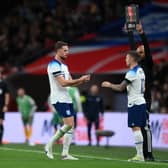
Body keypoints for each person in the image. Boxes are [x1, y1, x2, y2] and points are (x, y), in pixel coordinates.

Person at [45, 41, 90, 160]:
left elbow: (71, 84)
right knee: (69, 124)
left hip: (67, 98)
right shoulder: (53, 65)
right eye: (65, 50)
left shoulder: (64, 66)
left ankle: (65, 154)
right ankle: (49, 145)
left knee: (71, 125)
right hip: (58, 98)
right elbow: (63, 83)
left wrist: (82, 80)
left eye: (68, 50)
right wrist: (79, 79)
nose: (67, 53)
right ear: (58, 50)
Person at [102, 51, 146, 162]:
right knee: (138, 128)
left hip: (135, 103)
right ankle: (140, 155)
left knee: (136, 128)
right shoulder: (141, 71)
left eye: (127, 58)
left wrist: (109, 85)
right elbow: (144, 88)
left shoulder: (131, 73)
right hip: (141, 101)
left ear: (132, 59)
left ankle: (140, 155)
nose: (125, 60)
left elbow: (121, 88)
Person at [126, 23, 154, 161]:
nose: (139, 54)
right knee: (138, 127)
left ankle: (149, 154)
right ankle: (141, 154)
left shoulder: (148, 64)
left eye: (141, 52)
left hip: (146, 98)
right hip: (137, 99)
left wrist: (141, 33)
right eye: (138, 53)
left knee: (146, 126)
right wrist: (130, 32)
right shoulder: (135, 66)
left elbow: (147, 50)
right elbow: (132, 50)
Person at [0, 71, 10, 145]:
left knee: (0, 123)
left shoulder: (3, 84)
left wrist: (6, 105)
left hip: (1, 106)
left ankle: (0, 140)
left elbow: (7, 95)